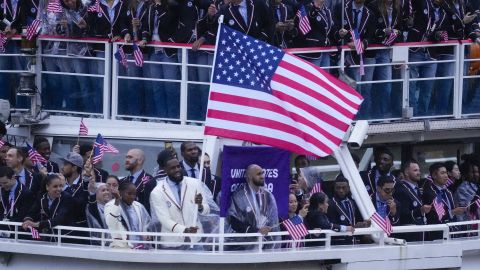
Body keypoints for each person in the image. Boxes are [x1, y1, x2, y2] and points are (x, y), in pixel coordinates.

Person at [149, 154, 210, 249]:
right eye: (173, 168)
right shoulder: (157, 192)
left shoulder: (195, 183)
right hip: (172, 243)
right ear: (165, 170)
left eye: (178, 166)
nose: (177, 170)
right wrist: (185, 230)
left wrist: (200, 206)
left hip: (195, 240)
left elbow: (207, 210)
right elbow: (164, 220)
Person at [334, 0, 377, 119]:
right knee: (345, 87)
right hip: (343, 55)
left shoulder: (370, 13)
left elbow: (371, 36)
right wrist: (342, 36)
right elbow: (334, 28)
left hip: (361, 56)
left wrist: (363, 43)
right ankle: (346, 117)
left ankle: (363, 117)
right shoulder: (341, 8)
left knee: (363, 88)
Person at [226, 164, 279, 250]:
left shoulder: (268, 195)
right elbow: (234, 221)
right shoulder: (239, 195)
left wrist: (273, 244)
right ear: (249, 177)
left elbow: (274, 221)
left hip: (266, 245)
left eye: (262, 173)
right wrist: (256, 231)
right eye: (258, 174)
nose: (262, 176)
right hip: (245, 246)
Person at [22, 174, 75, 242]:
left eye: (60, 186)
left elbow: (59, 219)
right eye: (55, 186)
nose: (59, 189)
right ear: (47, 187)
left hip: (65, 237)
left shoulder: (67, 198)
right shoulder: (41, 197)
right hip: (47, 236)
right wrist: (27, 221)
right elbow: (31, 213)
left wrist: (36, 224)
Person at [423, 163, 466, 240]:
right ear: (434, 176)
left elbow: (452, 210)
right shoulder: (430, 193)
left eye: (446, 172)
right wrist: (453, 212)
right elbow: (437, 216)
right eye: (442, 173)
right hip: (438, 235)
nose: (446, 176)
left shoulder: (448, 192)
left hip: (452, 232)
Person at [105, 181, 152, 249]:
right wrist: (117, 201)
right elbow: (110, 223)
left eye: (134, 194)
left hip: (140, 248)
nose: (132, 197)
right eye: (129, 194)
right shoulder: (110, 205)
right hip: (120, 248)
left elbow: (147, 223)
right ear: (120, 192)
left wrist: (146, 234)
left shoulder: (139, 206)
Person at [327, 175, 369, 245]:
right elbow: (330, 224)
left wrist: (363, 224)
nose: (341, 190)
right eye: (338, 188)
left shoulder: (353, 202)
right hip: (338, 242)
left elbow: (358, 220)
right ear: (334, 188)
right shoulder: (329, 204)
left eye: (344, 188)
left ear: (349, 188)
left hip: (354, 241)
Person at [394, 159, 429, 241]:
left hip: (420, 233)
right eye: (415, 170)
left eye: (419, 170)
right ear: (406, 172)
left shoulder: (415, 188)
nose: (419, 173)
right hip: (409, 236)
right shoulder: (401, 189)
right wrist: (420, 211)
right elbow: (402, 215)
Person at [294, 0, 334, 68]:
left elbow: (330, 28)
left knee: (325, 76)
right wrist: (315, 8)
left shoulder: (327, 10)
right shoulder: (307, 7)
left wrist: (339, 34)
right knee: (314, 77)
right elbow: (309, 18)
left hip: (326, 50)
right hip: (313, 51)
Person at [0, 166, 34, 234]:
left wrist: (7, 226)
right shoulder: (1, 190)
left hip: (18, 232)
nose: (2, 186)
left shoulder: (26, 193)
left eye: (5, 183)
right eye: (0, 183)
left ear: (13, 177)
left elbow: (22, 216)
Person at [120, 148, 156, 213]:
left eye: (130, 157)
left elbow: (151, 206)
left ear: (140, 160)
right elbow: (118, 203)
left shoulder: (150, 181)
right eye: (126, 157)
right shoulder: (122, 181)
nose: (126, 160)